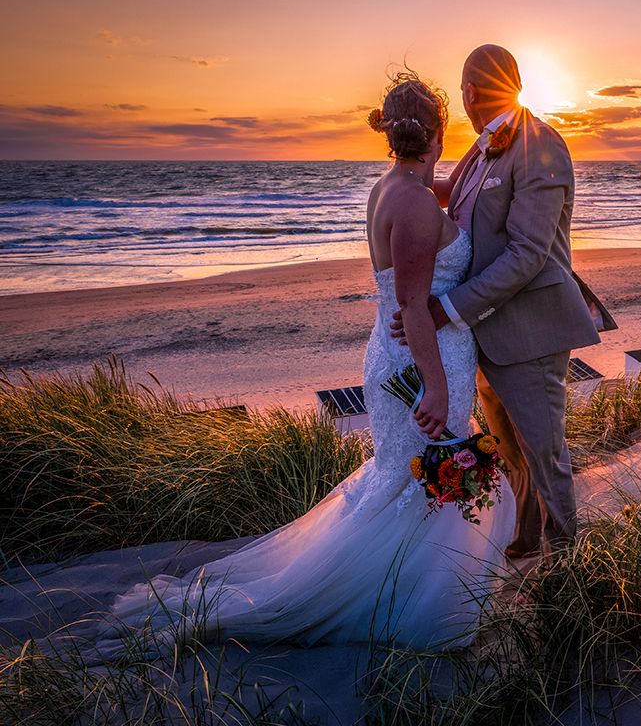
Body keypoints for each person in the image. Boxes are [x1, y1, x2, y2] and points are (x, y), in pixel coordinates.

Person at [94, 71, 515, 657]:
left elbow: (433, 219)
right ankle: (407, 604)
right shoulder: (416, 206)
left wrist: (475, 168)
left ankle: (414, 586)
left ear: (390, 136)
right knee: (427, 481)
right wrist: (437, 390)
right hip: (419, 365)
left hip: (391, 353)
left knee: (406, 480)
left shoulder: (390, 189)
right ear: (437, 132)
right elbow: (415, 307)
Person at [392, 44, 600, 558]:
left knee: (545, 454)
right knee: (512, 452)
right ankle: (526, 542)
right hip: (484, 332)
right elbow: (454, 197)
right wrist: (398, 183)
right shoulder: (483, 147)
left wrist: (447, 309)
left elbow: (530, 253)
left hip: (529, 332)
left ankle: (568, 567)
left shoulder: (542, 144)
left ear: (468, 93)